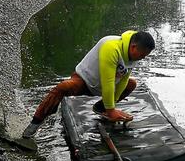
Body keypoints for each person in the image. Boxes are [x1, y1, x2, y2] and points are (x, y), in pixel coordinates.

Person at [22, 30, 155, 138]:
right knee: (63, 87)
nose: (142, 58)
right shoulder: (111, 46)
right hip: (85, 81)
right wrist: (112, 110)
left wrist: (111, 106)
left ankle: (101, 108)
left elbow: (123, 80)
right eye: (142, 55)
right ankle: (36, 122)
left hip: (104, 87)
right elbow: (108, 81)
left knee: (131, 83)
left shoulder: (133, 55)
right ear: (133, 47)